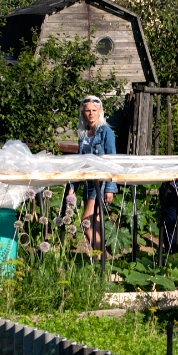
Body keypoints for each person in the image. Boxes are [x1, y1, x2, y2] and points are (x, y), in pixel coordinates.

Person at [67, 95, 118, 252]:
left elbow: (112, 159)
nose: (91, 113)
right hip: (88, 182)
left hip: (100, 182)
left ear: (100, 111)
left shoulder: (105, 132)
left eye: (94, 110)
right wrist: (72, 186)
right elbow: (80, 162)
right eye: (88, 110)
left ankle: (100, 256)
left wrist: (110, 187)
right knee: (95, 221)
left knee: (85, 221)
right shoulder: (84, 135)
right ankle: (101, 263)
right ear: (83, 113)